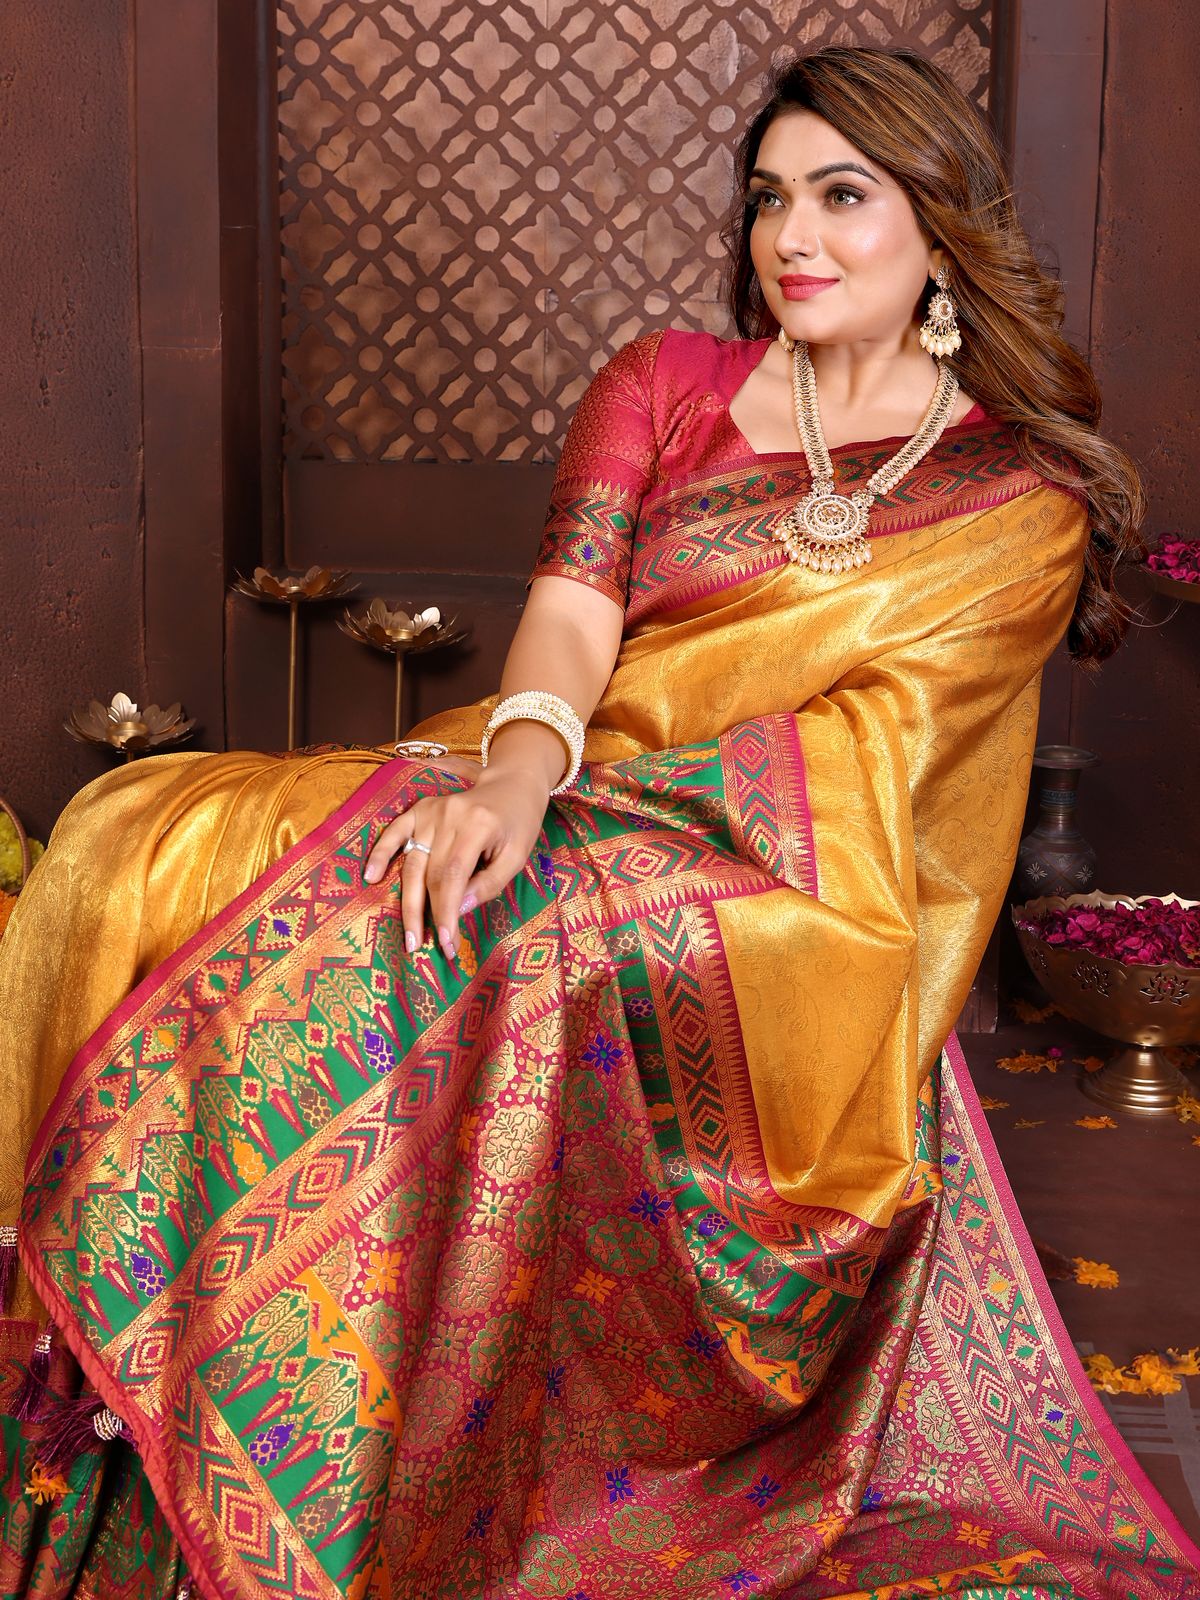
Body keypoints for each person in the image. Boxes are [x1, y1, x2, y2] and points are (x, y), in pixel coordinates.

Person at [1, 43, 1196, 1600]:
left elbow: (884, 761)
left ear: (943, 225)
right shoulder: (665, 381)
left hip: (790, 892)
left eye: (845, 196)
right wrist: (516, 778)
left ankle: (352, 1436)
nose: (794, 238)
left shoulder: (1013, 496)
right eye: (771, 197)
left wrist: (594, 816)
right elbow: (571, 616)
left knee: (486, 932)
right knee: (153, 833)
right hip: (559, 771)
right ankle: (170, 1381)